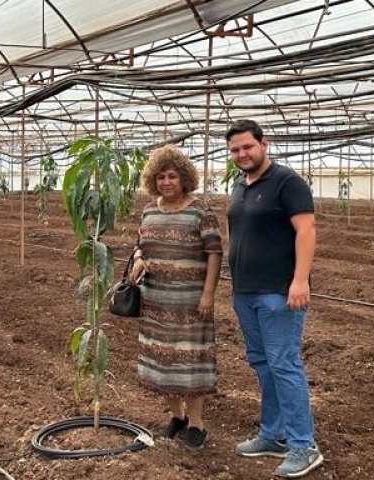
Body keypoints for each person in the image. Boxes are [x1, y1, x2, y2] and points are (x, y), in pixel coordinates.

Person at [224, 119, 322, 478]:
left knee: (284, 363)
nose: (241, 154)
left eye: (247, 147)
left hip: (278, 292)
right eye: (235, 149)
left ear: (265, 143)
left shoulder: (287, 182)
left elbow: (306, 231)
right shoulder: (240, 184)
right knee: (263, 363)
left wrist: (299, 280)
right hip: (246, 291)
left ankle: (303, 445)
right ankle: (274, 433)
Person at [128, 145, 223, 451]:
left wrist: (208, 294)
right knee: (163, 359)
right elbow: (140, 244)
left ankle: (197, 424)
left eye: (172, 176)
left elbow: (214, 253)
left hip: (190, 302)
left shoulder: (200, 211)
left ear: (184, 179)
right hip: (156, 301)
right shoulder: (150, 210)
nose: (166, 182)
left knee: (190, 359)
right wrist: (140, 258)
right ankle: (177, 416)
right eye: (160, 177)